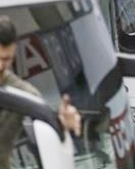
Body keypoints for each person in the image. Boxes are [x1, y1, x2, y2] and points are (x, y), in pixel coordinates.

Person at [0, 20, 82, 169]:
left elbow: (46, 117)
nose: (0, 66)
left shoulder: (24, 95)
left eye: (6, 59)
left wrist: (62, 123)